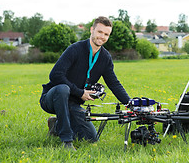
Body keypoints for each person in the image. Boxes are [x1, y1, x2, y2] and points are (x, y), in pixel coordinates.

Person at [39, 16, 131, 150]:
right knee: (63, 89)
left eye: (106, 34)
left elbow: (114, 83)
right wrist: (79, 92)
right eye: (100, 32)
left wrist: (130, 103)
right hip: (53, 98)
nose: (102, 37)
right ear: (92, 30)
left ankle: (56, 124)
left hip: (73, 103)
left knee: (90, 137)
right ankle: (67, 141)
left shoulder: (105, 58)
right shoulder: (75, 49)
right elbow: (55, 75)